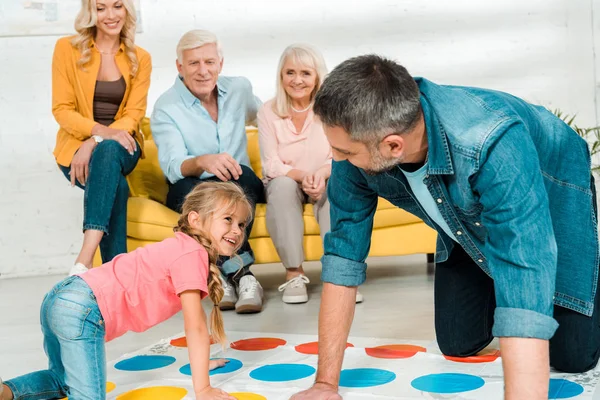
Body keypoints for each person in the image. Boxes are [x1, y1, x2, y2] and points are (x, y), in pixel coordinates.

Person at [291, 55, 600, 400]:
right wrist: (324, 385)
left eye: (343, 151)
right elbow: (342, 258)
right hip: (463, 214)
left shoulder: (491, 143)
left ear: (393, 145)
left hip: (553, 183)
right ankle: (485, 262)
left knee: (572, 357)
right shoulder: (356, 144)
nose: (337, 158)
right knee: (459, 342)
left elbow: (524, 266)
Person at [1, 182, 251, 400]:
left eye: (241, 224)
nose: (238, 230)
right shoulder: (191, 254)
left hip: (61, 297)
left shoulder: (181, 247)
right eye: (228, 219)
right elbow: (195, 325)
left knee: (60, 378)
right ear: (195, 219)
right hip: (83, 309)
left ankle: (5, 392)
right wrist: (203, 387)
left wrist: (201, 364)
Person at [151, 30, 265, 314]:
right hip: (191, 184)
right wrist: (203, 161)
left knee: (242, 180)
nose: (203, 71)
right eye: (193, 64)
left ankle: (222, 275)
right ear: (180, 67)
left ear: (220, 64)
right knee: (199, 195)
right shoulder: (166, 107)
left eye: (209, 62)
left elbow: (268, 117)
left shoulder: (239, 89)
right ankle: (240, 275)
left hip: (239, 181)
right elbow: (173, 165)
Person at [52, 0, 152, 276]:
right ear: (90, 13)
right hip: (74, 149)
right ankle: (117, 276)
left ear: (127, 11)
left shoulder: (140, 57)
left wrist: (95, 141)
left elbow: (133, 114)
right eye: (101, 7)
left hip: (124, 145)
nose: (111, 15)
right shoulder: (67, 49)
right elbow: (62, 109)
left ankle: (85, 257)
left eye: (117, 6)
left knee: (107, 151)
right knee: (116, 187)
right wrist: (98, 134)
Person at [257, 44, 362, 304]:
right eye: (290, 72)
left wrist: (323, 174)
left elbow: (341, 152)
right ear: (281, 76)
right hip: (287, 179)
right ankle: (293, 274)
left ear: (317, 77)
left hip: (324, 176)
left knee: (336, 187)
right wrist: (304, 176)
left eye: (305, 73)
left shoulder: (333, 109)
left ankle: (339, 277)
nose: (297, 80)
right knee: (281, 186)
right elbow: (271, 163)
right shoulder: (268, 111)